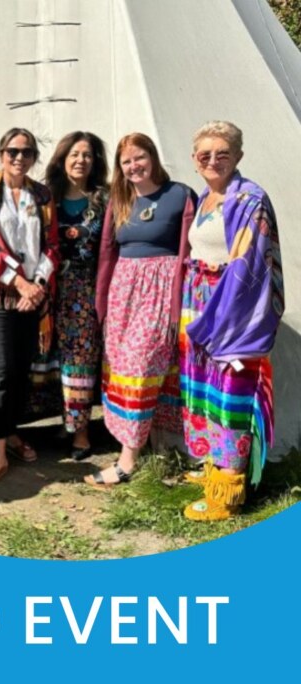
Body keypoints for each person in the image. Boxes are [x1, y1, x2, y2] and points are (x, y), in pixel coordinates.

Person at [180, 121, 283, 520]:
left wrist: (220, 319)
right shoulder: (207, 197)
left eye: (222, 152)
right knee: (207, 392)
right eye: (205, 154)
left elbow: (250, 265)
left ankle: (228, 491)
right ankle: (215, 468)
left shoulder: (249, 199)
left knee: (232, 397)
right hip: (202, 305)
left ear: (238, 155)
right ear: (194, 160)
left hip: (234, 316)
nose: (213, 160)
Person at [86, 133, 196, 487]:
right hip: (124, 293)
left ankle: (127, 461)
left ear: (153, 156)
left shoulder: (180, 194)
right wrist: (102, 302)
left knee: (141, 365)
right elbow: (107, 252)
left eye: (140, 158)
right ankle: (145, 446)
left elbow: (193, 249)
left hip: (161, 290)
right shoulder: (119, 200)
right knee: (122, 367)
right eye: (126, 161)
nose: (134, 166)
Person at [0, 127, 59, 486]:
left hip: (32, 298)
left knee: (20, 370)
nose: (19, 158)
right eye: (12, 151)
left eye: (27, 152)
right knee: (0, 374)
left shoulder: (42, 194)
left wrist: (36, 286)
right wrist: (17, 283)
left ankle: (12, 432)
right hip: (0, 298)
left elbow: (51, 245)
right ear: (0, 153)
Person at [35, 131, 109, 460]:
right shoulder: (45, 198)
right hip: (49, 290)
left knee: (80, 360)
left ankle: (81, 433)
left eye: (87, 155)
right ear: (62, 159)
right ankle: (60, 422)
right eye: (75, 154)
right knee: (49, 359)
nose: (81, 160)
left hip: (87, 291)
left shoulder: (104, 199)